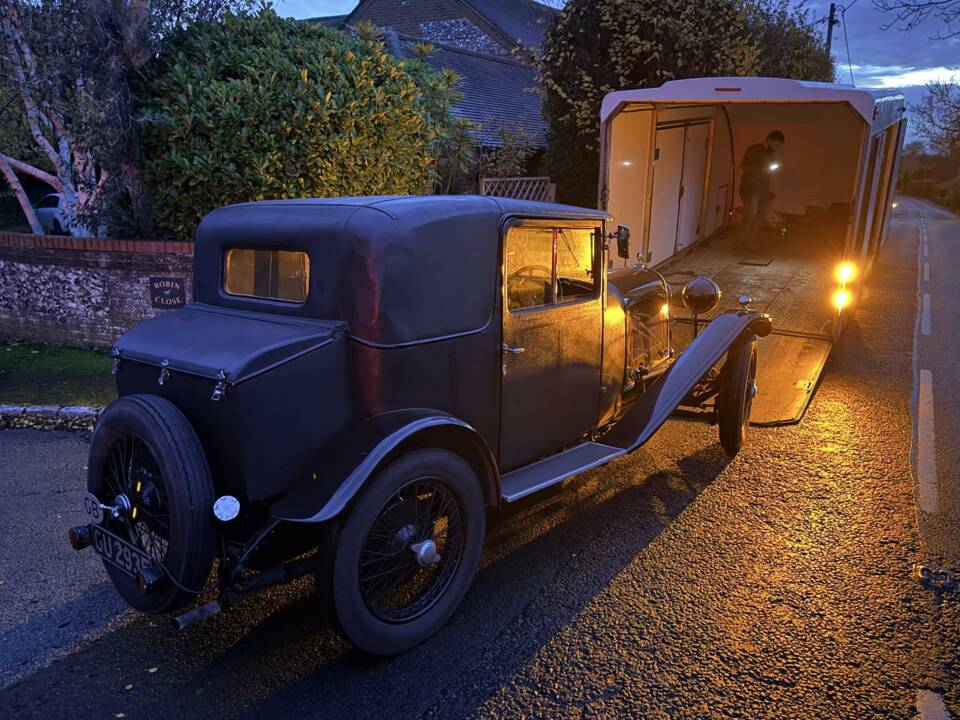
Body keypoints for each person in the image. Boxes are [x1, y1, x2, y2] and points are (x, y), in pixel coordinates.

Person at [738, 130, 784, 252]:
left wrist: (769, 191)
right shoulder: (754, 150)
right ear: (769, 140)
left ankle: (751, 242)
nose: (776, 148)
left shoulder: (770, 153)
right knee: (750, 213)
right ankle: (740, 243)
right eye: (775, 145)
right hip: (750, 187)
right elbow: (744, 166)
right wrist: (761, 169)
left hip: (762, 189)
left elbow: (769, 172)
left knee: (760, 214)